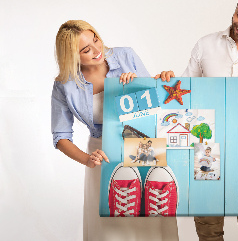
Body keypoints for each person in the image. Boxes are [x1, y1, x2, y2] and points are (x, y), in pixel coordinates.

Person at [156, 0, 238, 241]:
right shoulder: (205, 45)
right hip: (207, 142)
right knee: (207, 223)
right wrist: (166, 82)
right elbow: (184, 94)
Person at [51, 20, 178, 241]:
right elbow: (61, 137)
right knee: (112, 225)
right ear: (71, 56)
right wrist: (87, 159)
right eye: (86, 49)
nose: (97, 50)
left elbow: (154, 103)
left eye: (96, 40)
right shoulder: (65, 84)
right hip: (102, 154)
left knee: (152, 213)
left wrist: (143, 83)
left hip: (143, 143)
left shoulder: (125, 56)